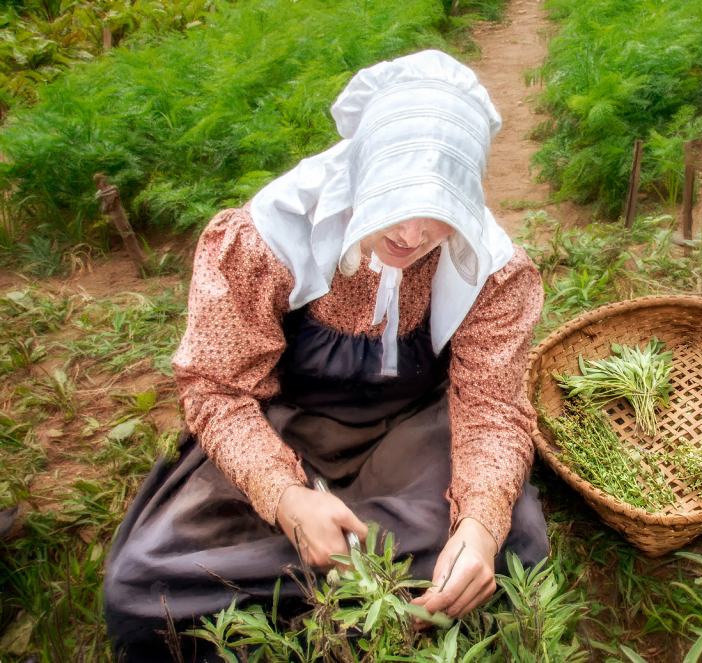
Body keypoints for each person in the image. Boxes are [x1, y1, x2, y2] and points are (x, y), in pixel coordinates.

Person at [103, 50, 550, 661]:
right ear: (364, 168)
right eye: (396, 199)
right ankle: (352, 598)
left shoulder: (493, 273)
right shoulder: (271, 237)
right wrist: (288, 499)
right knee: (141, 587)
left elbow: (492, 410)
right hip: (284, 429)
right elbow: (217, 387)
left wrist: (478, 525)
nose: (412, 236)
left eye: (439, 211)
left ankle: (347, 598)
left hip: (412, 433)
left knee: (501, 546)